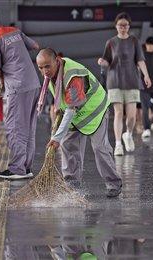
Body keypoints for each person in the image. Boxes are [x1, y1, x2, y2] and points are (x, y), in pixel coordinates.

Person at [36, 48, 122, 198]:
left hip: (94, 111)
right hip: (75, 114)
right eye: (40, 67)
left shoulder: (72, 75)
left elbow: (71, 109)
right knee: (68, 146)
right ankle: (72, 184)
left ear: (56, 61)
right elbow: (62, 99)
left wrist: (56, 137)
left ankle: (114, 183)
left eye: (47, 66)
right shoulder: (51, 75)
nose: (44, 71)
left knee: (100, 148)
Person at [0, 9, 40, 180]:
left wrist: (4, 73)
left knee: (15, 127)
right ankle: (26, 167)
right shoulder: (15, 31)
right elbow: (35, 46)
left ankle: (17, 169)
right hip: (34, 83)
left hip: (17, 87)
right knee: (29, 127)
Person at [98, 12, 151, 155]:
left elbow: (140, 60)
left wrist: (146, 75)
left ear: (129, 26)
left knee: (132, 116)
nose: (123, 28)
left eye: (126, 25)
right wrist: (103, 62)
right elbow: (107, 60)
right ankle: (118, 144)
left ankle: (127, 134)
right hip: (114, 81)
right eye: (120, 25)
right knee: (118, 113)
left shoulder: (134, 41)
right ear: (116, 26)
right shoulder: (110, 42)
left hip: (132, 81)